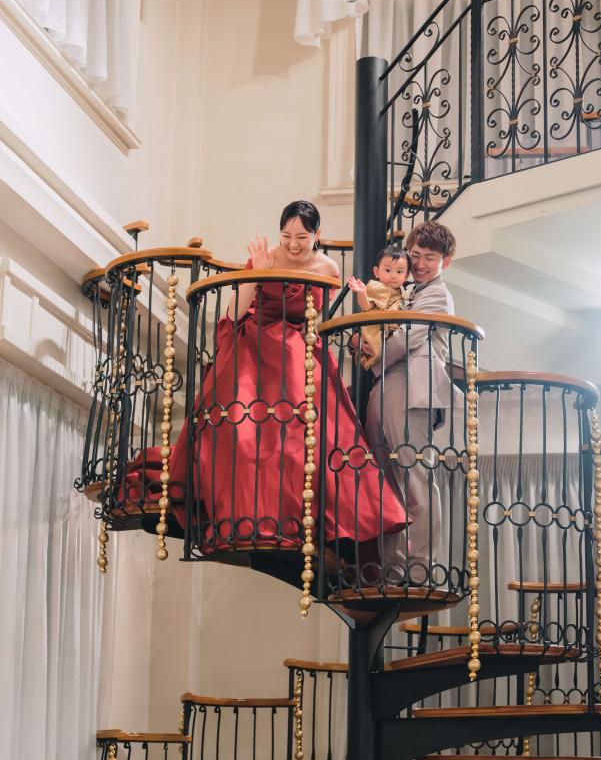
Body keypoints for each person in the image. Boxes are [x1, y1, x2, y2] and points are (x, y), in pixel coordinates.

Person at [123, 201, 406, 556]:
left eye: (302, 236)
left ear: (317, 235)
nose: (293, 244)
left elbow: (314, 319)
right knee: (243, 432)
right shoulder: (266, 257)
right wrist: (256, 271)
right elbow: (234, 313)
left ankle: (303, 521)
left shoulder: (328, 267)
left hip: (299, 349)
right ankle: (249, 520)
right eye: (286, 235)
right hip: (256, 343)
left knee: (313, 434)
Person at [363, 221, 458, 584]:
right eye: (414, 255)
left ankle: (420, 569)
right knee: (385, 478)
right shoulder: (404, 289)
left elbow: (405, 340)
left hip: (411, 384)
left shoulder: (436, 295)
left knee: (415, 475)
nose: (419, 264)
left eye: (429, 258)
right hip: (386, 382)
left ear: (445, 262)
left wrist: (371, 350)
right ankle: (393, 567)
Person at [346, 245, 411, 370]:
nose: (393, 276)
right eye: (388, 270)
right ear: (377, 272)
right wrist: (362, 293)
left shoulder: (402, 293)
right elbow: (366, 306)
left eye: (399, 272)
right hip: (375, 328)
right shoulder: (376, 287)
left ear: (406, 276)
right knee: (374, 349)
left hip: (388, 330)